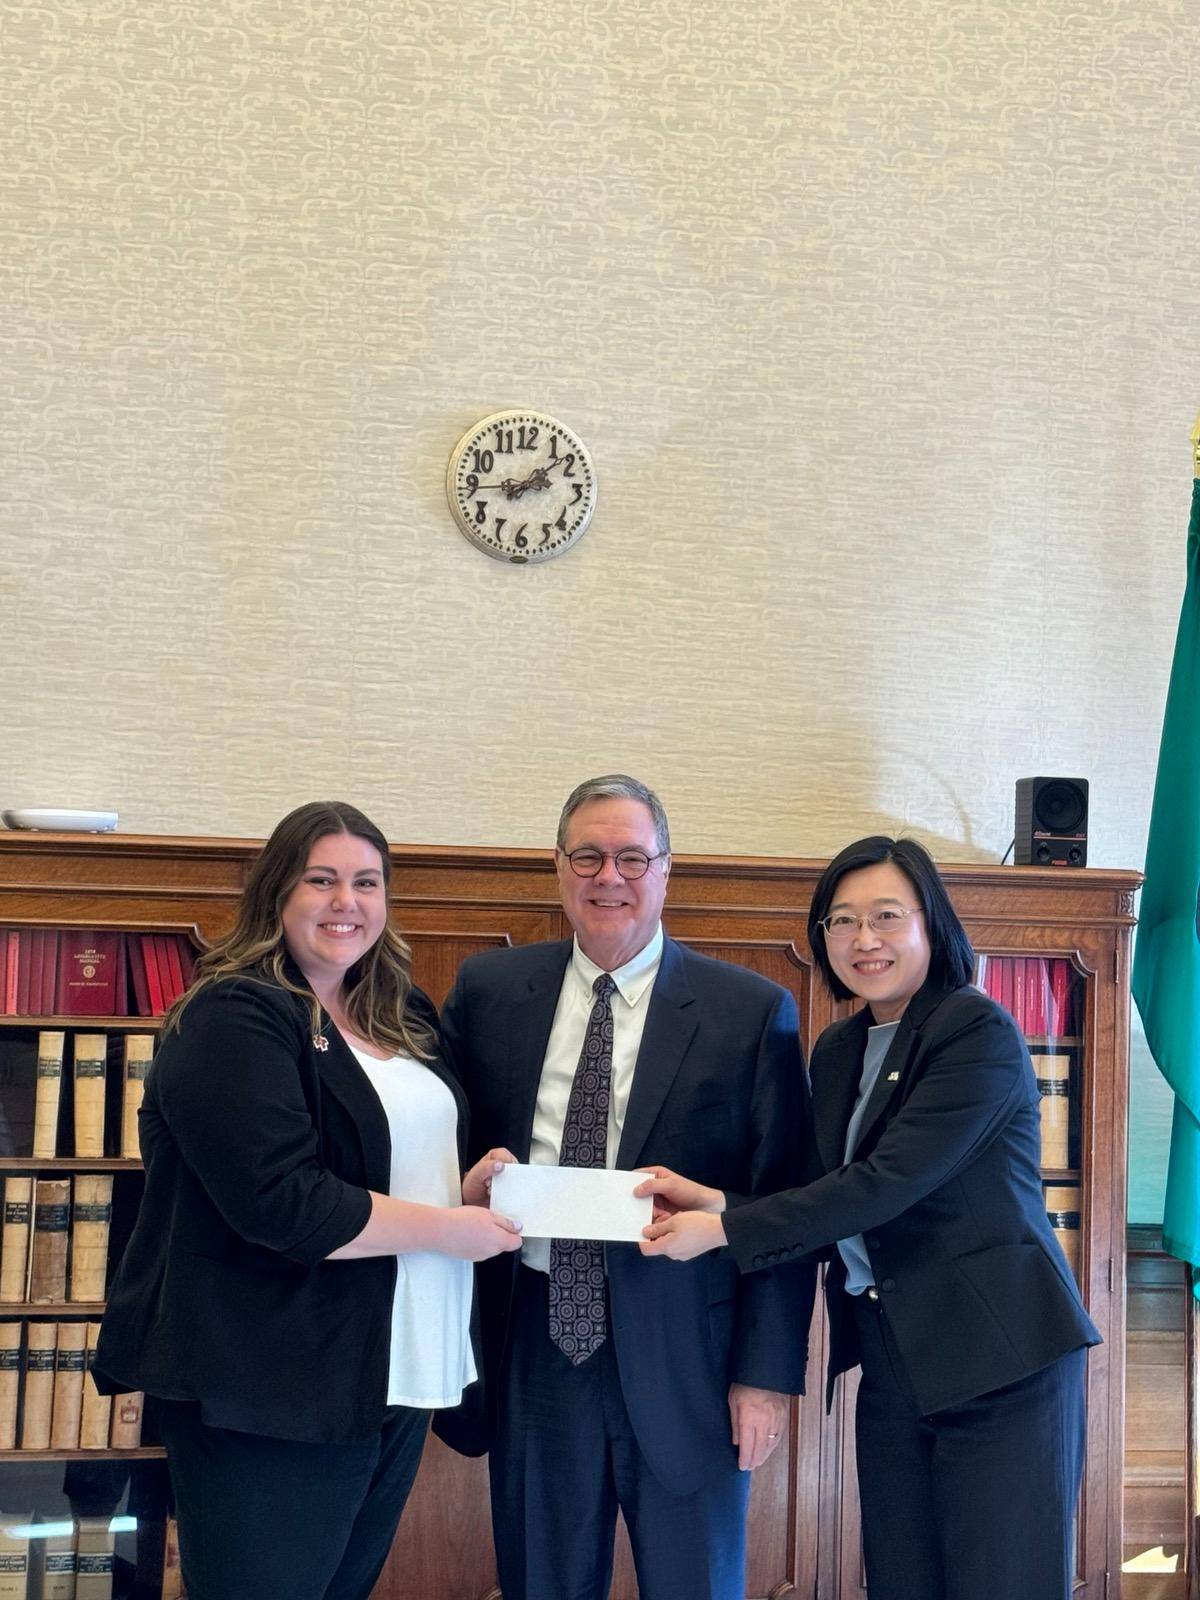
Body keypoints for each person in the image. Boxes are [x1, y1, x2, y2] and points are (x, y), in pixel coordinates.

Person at [637, 834, 1101, 1600]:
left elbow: (887, 1184)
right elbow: (828, 1193)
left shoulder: (974, 1030)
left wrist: (721, 1232)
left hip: (1000, 1361)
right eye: (842, 920)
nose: (864, 939)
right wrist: (716, 1202)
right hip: (893, 1360)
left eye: (886, 915)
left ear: (931, 924)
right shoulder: (839, 1047)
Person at [94, 800, 523, 1600]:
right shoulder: (232, 1015)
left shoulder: (400, 1012)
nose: (345, 902)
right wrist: (445, 1227)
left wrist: (460, 1191)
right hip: (273, 1382)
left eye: (366, 882)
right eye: (321, 880)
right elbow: (281, 1201)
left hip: (400, 1363)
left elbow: (378, 1164)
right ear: (277, 892)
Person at [437, 774, 815, 1600]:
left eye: (632, 858)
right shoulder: (489, 992)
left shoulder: (750, 1011)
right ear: (559, 868)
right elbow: (440, 1153)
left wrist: (765, 1376)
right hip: (534, 1343)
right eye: (588, 857)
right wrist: (460, 1188)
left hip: (690, 1358)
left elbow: (787, 1206)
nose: (609, 877)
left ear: (666, 870)